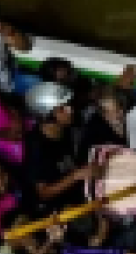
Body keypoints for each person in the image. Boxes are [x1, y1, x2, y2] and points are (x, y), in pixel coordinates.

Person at [23, 82, 97, 216]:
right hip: (52, 211)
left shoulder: (65, 130)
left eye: (68, 105)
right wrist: (76, 175)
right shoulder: (36, 147)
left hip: (72, 196)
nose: (70, 110)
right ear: (46, 115)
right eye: (62, 108)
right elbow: (43, 193)